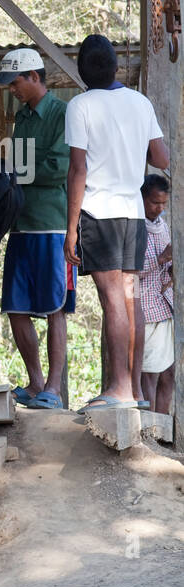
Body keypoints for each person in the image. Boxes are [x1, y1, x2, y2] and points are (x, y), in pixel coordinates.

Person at [64, 35, 170, 410]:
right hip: (133, 214)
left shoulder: (80, 105)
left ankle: (120, 388)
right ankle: (137, 391)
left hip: (100, 211)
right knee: (132, 299)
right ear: (116, 68)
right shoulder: (140, 103)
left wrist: (71, 227)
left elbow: (78, 169)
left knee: (112, 301)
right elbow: (161, 157)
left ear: (81, 71)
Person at [0, 49, 74, 409]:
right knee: (15, 305)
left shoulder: (62, 113)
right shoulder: (21, 117)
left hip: (52, 226)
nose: (11, 90)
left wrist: (18, 171)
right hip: (20, 224)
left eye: (15, 82)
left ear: (35, 77)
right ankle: (35, 382)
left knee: (56, 306)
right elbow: (17, 163)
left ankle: (53, 389)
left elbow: (59, 166)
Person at [138, 175, 174, 414]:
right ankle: (150, 429)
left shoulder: (163, 226)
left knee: (169, 373)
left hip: (166, 306)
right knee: (149, 374)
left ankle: (165, 427)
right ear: (142, 199)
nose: (159, 208)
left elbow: (167, 268)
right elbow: (131, 270)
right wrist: (162, 258)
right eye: (154, 202)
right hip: (146, 309)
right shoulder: (134, 227)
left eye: (163, 203)